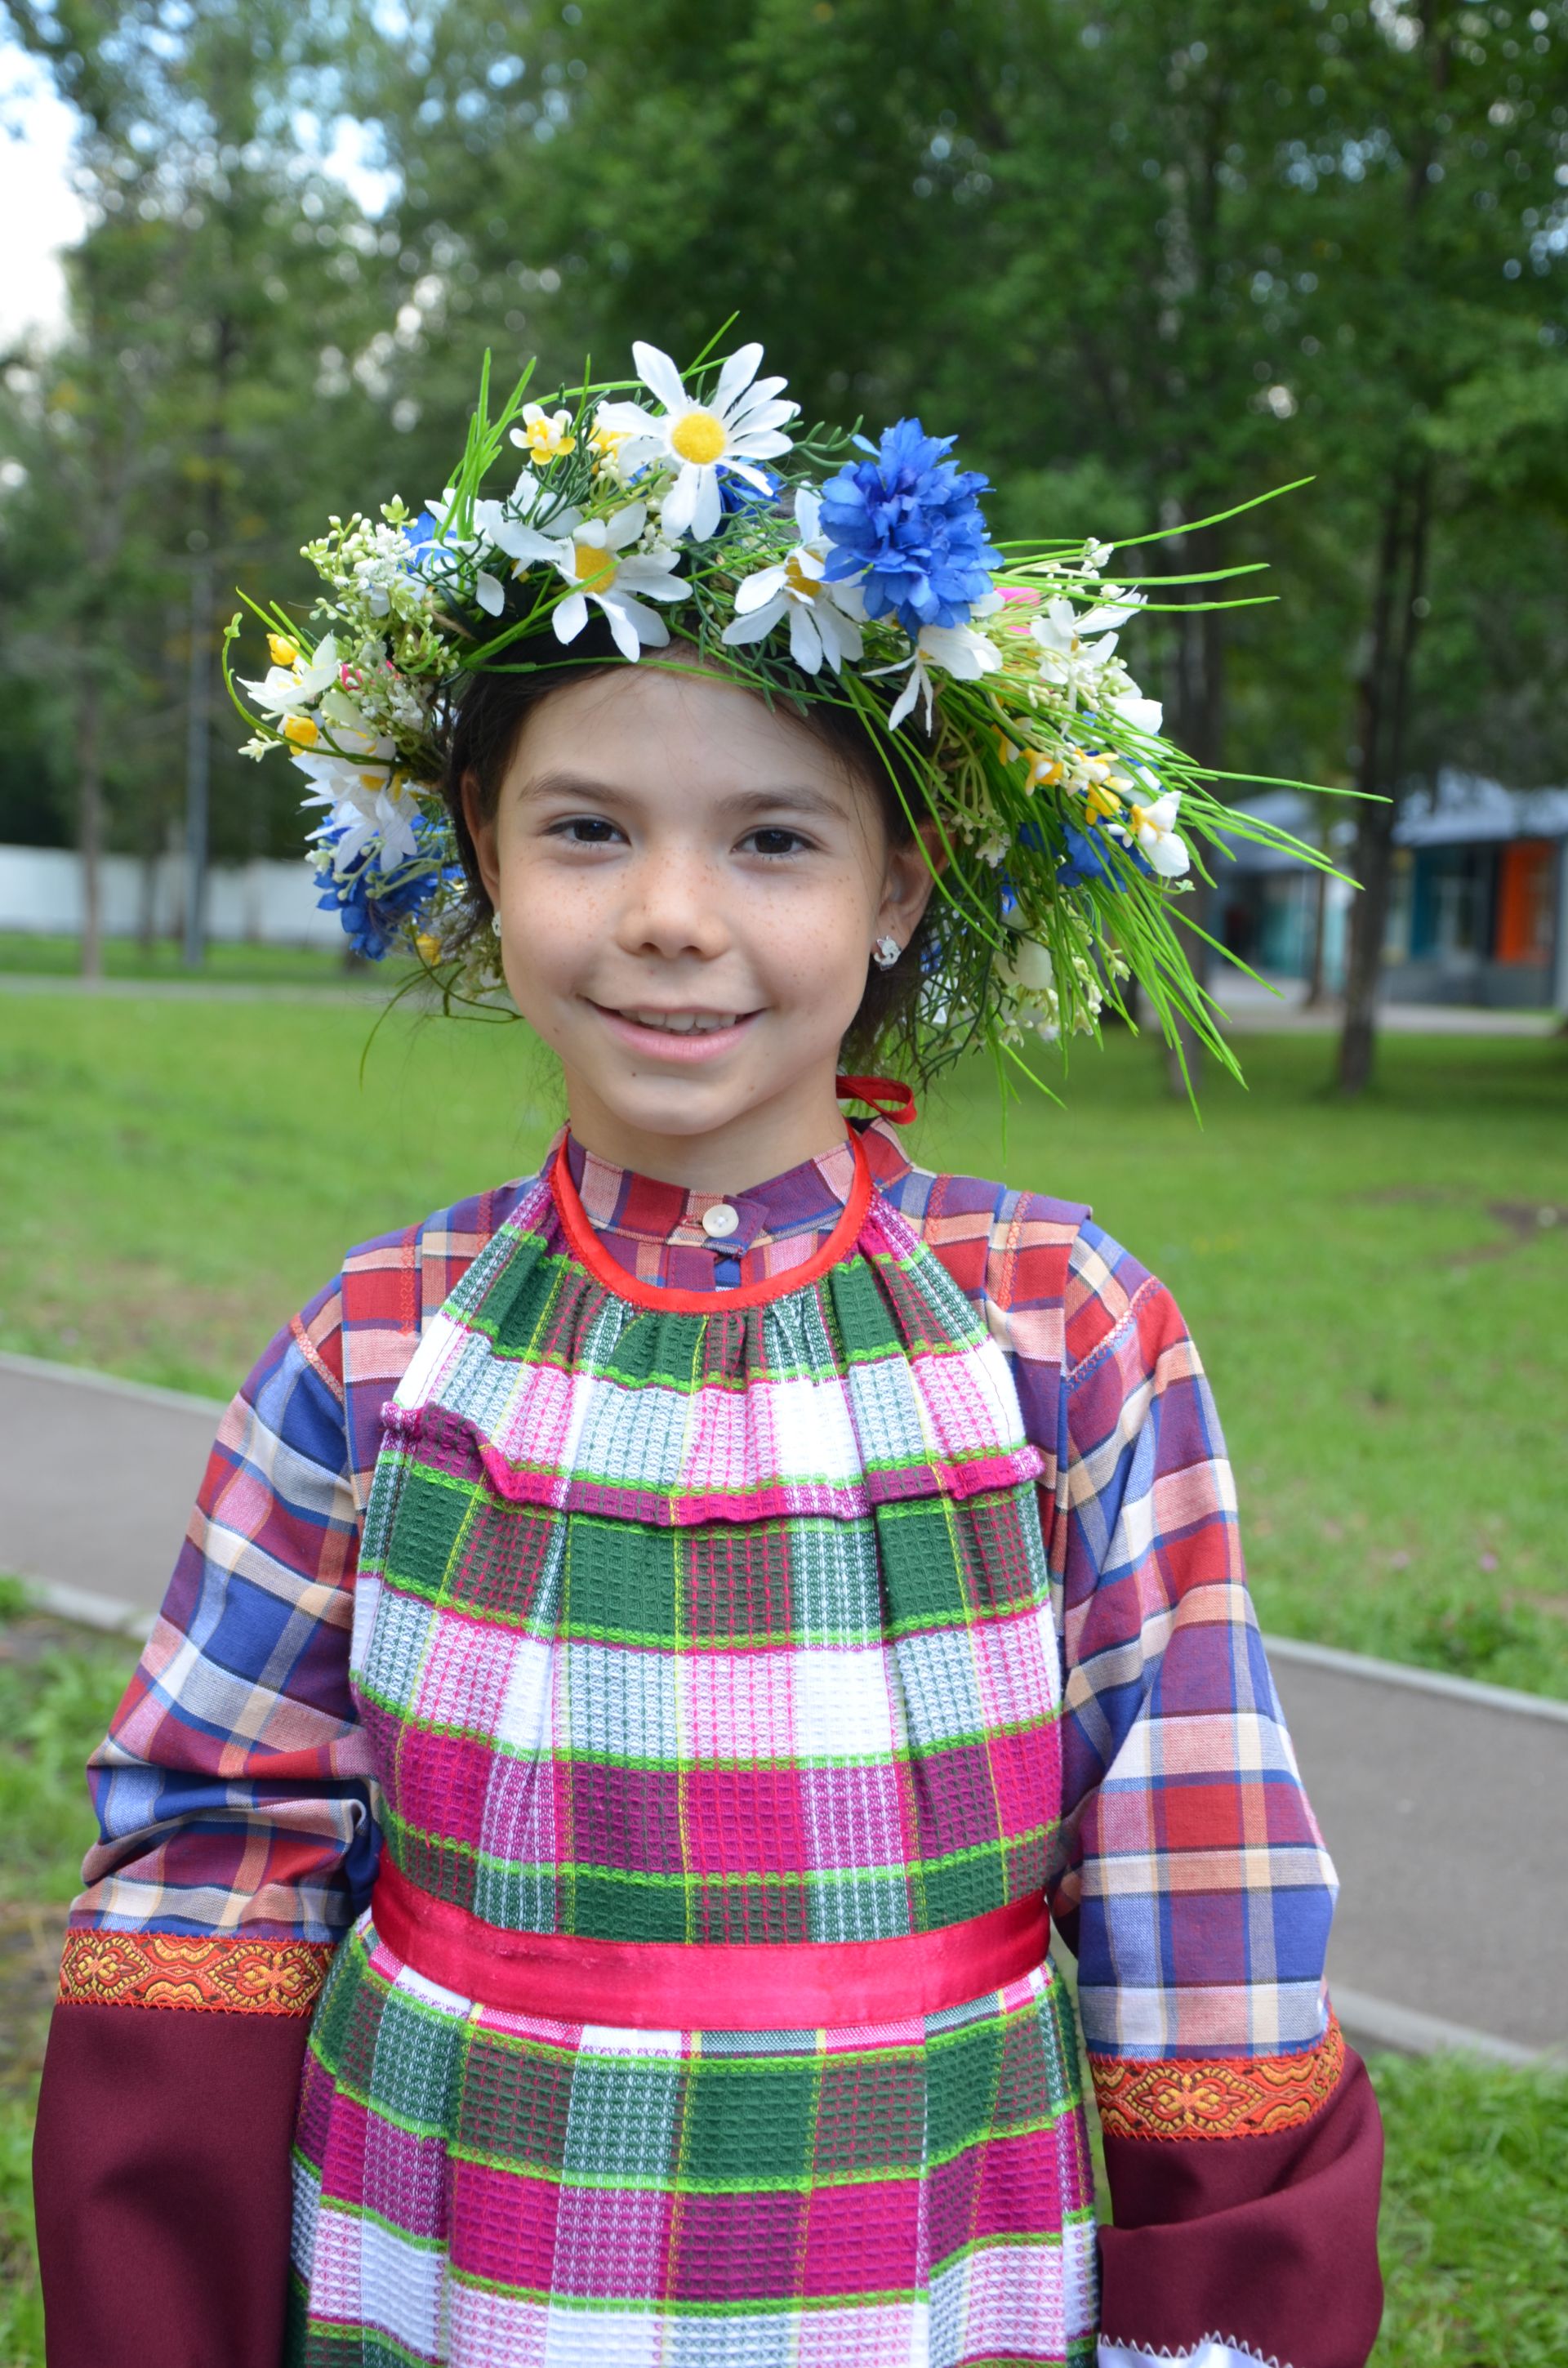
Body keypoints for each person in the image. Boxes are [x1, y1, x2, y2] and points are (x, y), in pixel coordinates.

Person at [33, 339, 1383, 2368]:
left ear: (900, 883)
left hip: (917, 2276)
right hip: (455, 2267)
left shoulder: (1064, 1333)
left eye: (774, 840)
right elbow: (209, 1863)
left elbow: (1201, 1878)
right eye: (588, 829)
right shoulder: (377, 1351)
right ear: (481, 857)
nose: (672, 914)